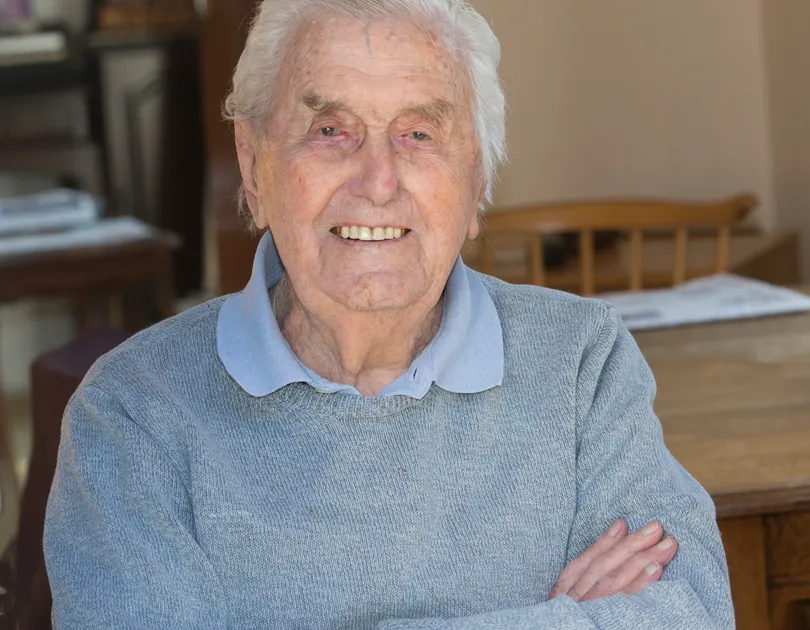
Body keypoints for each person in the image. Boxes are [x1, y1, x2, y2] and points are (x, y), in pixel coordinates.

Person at [44, 0, 734, 627]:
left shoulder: (582, 362)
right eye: (331, 130)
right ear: (254, 171)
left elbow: (690, 610)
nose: (377, 182)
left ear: (477, 180)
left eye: (419, 135)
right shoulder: (133, 410)